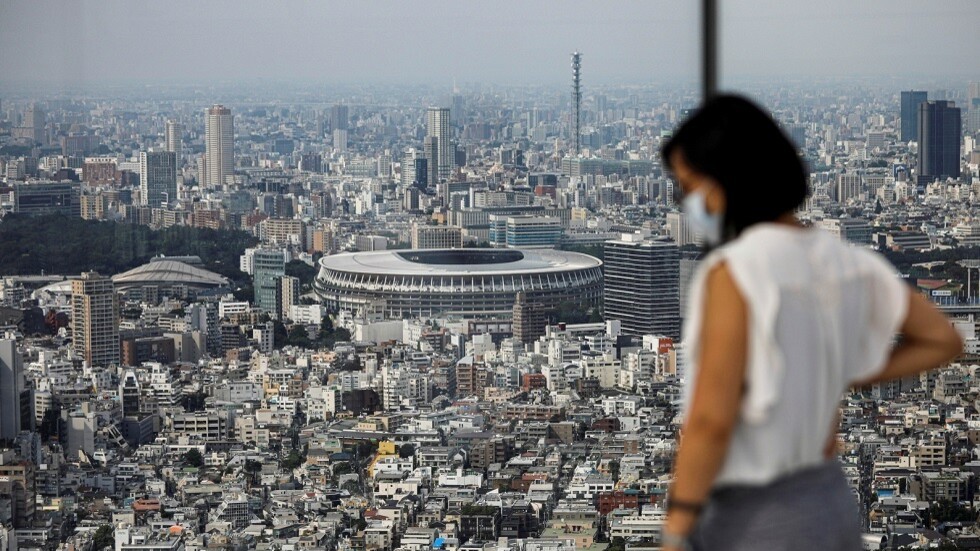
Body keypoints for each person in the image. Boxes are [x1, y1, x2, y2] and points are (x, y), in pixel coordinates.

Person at [659, 95, 963, 551]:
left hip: (754, 512)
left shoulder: (734, 272)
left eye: (690, 186)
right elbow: (942, 339)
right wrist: (840, 370)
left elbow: (710, 419)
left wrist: (678, 523)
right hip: (829, 499)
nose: (689, 203)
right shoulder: (846, 261)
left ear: (726, 180)